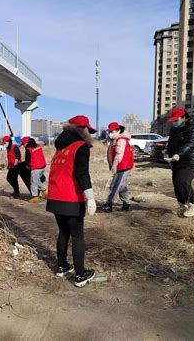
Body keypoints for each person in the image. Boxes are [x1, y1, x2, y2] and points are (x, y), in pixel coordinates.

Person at [46, 115, 97, 287]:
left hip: (55, 197)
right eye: (88, 130)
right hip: (71, 198)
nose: (89, 133)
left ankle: (61, 266)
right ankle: (80, 275)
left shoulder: (60, 148)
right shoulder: (80, 147)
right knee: (77, 236)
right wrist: (90, 197)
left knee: (63, 232)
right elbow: (82, 173)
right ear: (81, 130)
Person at [165, 108, 194, 218]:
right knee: (177, 183)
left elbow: (190, 143)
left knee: (183, 181)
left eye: (176, 120)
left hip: (192, 160)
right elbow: (171, 143)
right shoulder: (175, 129)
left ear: (183, 117)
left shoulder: (193, 128)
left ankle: (193, 205)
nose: (174, 122)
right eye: (172, 120)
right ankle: (183, 205)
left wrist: (179, 154)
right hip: (177, 161)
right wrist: (167, 151)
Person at [103, 122, 134, 213]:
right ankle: (126, 204)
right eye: (109, 132)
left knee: (115, 185)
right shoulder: (114, 139)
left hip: (123, 166)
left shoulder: (121, 140)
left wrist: (114, 165)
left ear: (118, 131)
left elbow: (119, 154)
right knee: (122, 185)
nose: (110, 133)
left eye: (112, 132)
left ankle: (109, 204)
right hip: (119, 166)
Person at [21, 137, 47, 203]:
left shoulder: (28, 149)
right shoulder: (38, 146)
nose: (23, 145)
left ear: (26, 143)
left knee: (33, 182)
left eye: (23, 144)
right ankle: (45, 192)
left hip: (36, 167)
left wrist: (27, 166)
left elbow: (27, 160)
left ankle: (35, 197)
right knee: (36, 180)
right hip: (43, 166)